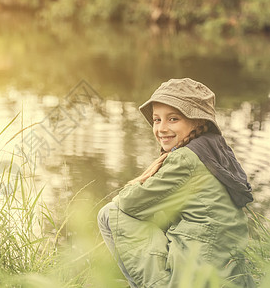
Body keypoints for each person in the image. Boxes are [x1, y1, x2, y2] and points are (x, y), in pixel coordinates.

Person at [97, 78, 254, 287]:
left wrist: (140, 184)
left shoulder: (186, 158)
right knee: (161, 212)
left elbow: (129, 204)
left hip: (195, 278)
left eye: (173, 119)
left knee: (109, 213)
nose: (161, 128)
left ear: (198, 121)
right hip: (227, 274)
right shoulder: (214, 148)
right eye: (157, 119)